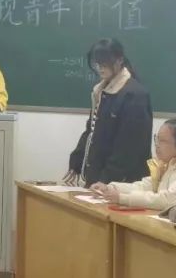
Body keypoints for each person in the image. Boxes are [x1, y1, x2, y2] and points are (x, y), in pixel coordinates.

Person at [65, 39, 153, 187]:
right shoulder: (101, 91)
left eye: (105, 63)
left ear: (120, 60)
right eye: (97, 64)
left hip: (121, 183)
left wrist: (106, 179)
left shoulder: (134, 95)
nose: (100, 68)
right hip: (98, 178)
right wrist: (77, 161)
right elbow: (92, 130)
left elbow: (129, 146)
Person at [90, 118, 176, 210]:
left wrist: (122, 198)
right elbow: (143, 187)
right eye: (156, 139)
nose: (157, 145)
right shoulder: (166, 165)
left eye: (163, 141)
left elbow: (167, 200)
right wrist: (110, 188)